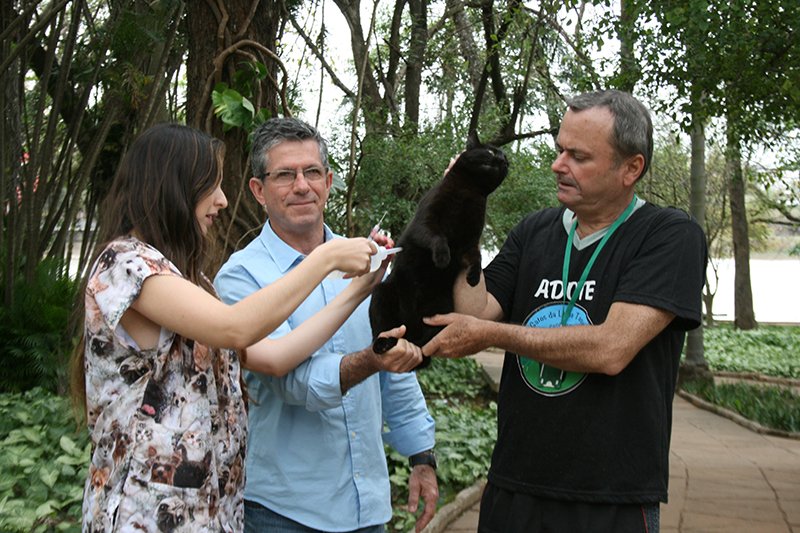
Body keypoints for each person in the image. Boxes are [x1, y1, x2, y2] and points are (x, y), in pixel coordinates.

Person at [71, 123, 419, 532]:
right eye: (211, 185)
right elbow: (236, 328)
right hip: (146, 512)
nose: (221, 200)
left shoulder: (186, 280)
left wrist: (360, 289)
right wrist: (325, 258)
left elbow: (274, 356)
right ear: (174, 186)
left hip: (207, 510)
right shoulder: (126, 265)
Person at [423, 90, 707, 532]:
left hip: (609, 496)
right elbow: (474, 311)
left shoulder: (668, 235)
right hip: (514, 485)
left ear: (631, 168)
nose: (558, 164)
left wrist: (496, 337)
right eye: (559, 150)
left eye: (579, 156)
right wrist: (459, 214)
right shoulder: (534, 231)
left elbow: (611, 349)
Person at [214, 117, 439, 533]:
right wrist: (371, 360)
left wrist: (421, 455)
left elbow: (396, 364)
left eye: (312, 172)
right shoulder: (241, 277)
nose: (302, 186)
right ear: (258, 190)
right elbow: (292, 383)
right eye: (285, 175)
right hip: (283, 512)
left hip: (368, 507)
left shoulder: (366, 259)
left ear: (329, 182)